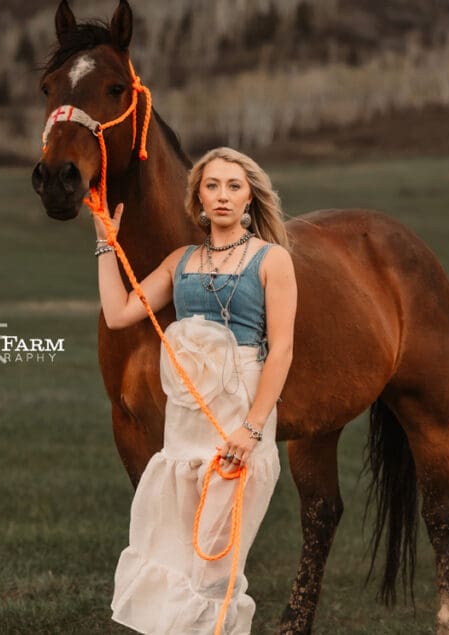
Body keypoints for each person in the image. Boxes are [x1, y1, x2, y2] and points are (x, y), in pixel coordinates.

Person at [94, 147, 297, 634]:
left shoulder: (273, 261)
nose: (222, 196)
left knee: (217, 557)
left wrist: (251, 430)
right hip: (187, 418)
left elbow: (283, 351)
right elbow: (120, 313)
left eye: (233, 186)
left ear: (249, 197)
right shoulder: (181, 260)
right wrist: (106, 245)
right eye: (212, 186)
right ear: (198, 199)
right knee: (179, 548)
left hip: (241, 408)